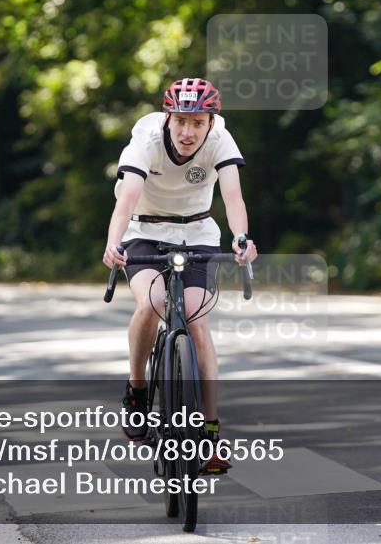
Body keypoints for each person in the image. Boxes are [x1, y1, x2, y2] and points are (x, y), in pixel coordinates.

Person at [103, 77, 258, 474]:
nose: (188, 132)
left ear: (210, 123)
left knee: (197, 321)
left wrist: (241, 238)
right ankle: (137, 389)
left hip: (198, 232)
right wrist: (114, 242)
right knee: (152, 304)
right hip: (144, 232)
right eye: (181, 121)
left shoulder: (221, 139)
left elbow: (235, 197)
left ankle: (209, 431)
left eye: (198, 123)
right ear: (168, 118)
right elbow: (126, 200)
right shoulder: (147, 139)